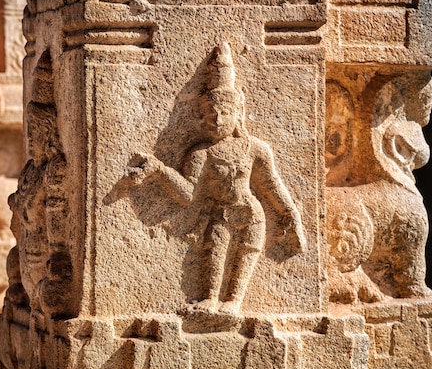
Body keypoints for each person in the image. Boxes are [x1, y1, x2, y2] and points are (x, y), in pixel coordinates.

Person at [128, 43, 305, 314]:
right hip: (219, 216)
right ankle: (210, 299)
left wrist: (289, 213)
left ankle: (233, 303)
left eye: (225, 113)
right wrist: (160, 170)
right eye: (211, 114)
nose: (218, 119)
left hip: (250, 215)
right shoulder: (201, 153)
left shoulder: (254, 148)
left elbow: (271, 185)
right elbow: (187, 193)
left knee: (242, 262)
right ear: (200, 116)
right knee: (214, 251)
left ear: (237, 114)